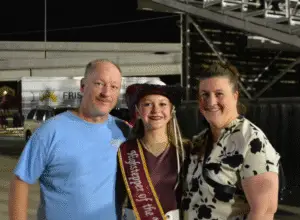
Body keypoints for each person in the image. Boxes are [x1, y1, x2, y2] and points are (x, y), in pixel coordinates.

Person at [8, 59, 131, 220]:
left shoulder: (124, 131)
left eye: (114, 86)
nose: (106, 93)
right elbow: (20, 181)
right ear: (82, 86)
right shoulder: (51, 131)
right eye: (99, 83)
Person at [182, 62, 280, 220]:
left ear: (235, 96)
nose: (211, 102)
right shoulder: (199, 141)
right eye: (205, 95)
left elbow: (264, 212)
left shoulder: (252, 141)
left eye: (219, 94)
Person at [116, 79, 190, 220]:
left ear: (171, 110)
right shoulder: (125, 150)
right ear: (137, 110)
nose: (156, 110)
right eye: (148, 104)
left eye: (162, 104)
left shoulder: (186, 149)